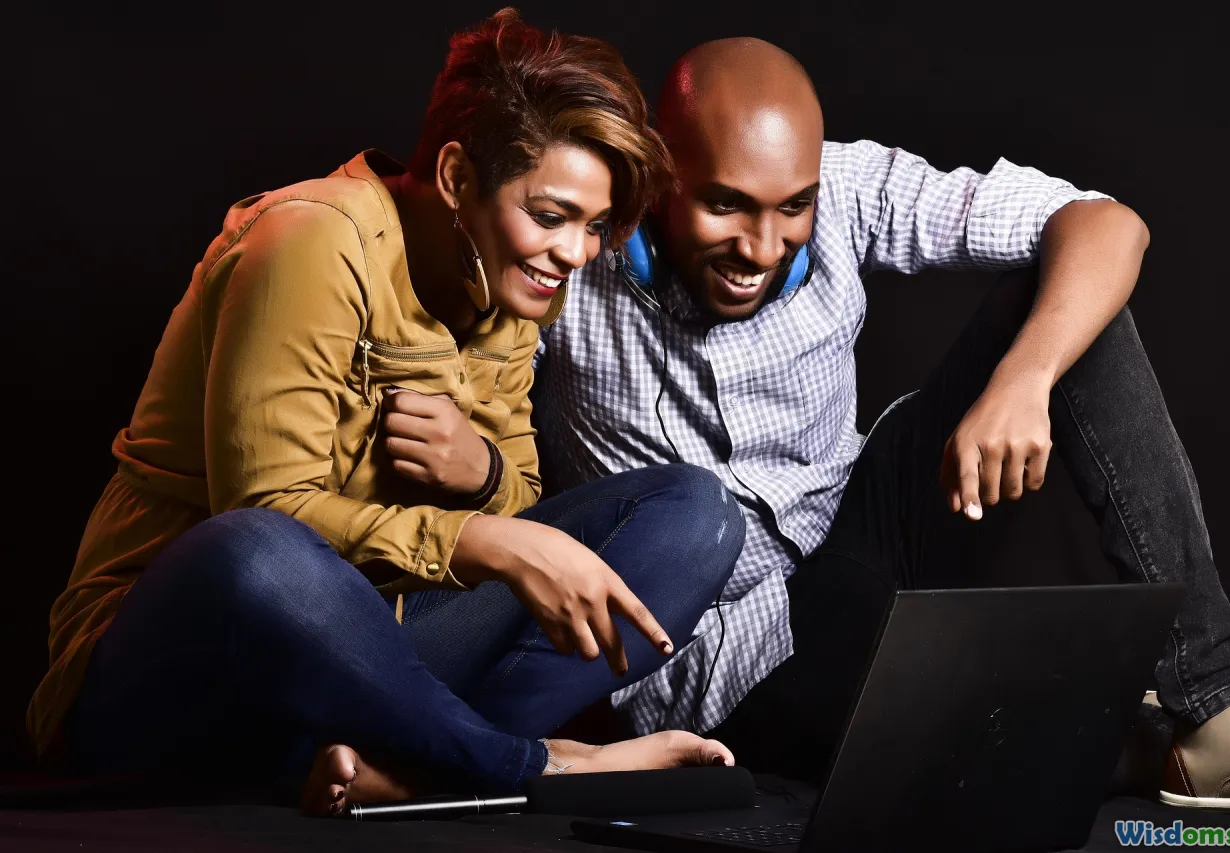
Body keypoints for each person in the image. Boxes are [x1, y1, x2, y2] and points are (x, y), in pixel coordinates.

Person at [529, 38, 1230, 813]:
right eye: (725, 205)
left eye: (792, 208)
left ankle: (1216, 704)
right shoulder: (576, 247)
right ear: (658, 173)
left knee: (1064, 304)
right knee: (983, 744)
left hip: (861, 538)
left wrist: (1026, 377)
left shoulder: (850, 187)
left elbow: (1106, 225)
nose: (760, 247)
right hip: (725, 659)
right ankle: (1131, 739)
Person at [28, 10, 745, 816]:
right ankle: (527, 765)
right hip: (175, 666)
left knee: (696, 514)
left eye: (592, 225)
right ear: (455, 178)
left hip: (378, 664)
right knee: (255, 549)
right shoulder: (311, 242)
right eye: (550, 216)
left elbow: (519, 516)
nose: (576, 254)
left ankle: (408, 768)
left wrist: (481, 480)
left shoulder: (516, 285)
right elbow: (265, 518)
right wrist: (476, 536)